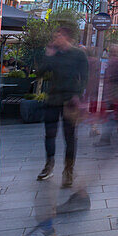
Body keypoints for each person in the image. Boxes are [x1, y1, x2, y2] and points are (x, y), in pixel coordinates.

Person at [36, 21, 89, 187]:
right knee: (49, 134)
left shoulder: (79, 55)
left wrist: (78, 95)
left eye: (58, 36)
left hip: (70, 102)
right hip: (53, 100)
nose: (55, 39)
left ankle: (68, 170)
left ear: (66, 37)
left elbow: (84, 77)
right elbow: (40, 73)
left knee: (70, 137)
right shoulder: (54, 54)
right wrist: (48, 55)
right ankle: (49, 165)